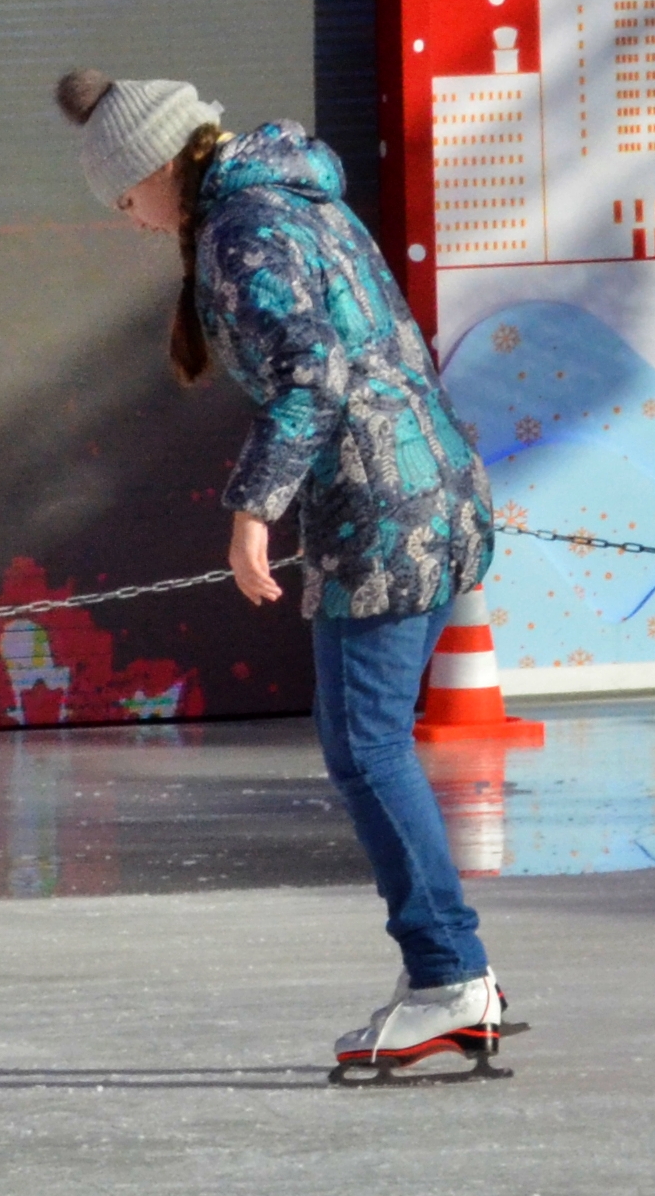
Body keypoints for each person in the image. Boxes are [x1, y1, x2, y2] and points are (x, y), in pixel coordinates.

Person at [60, 66, 521, 1080]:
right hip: (428, 486)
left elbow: (316, 373)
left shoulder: (243, 228)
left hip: (385, 506)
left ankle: (451, 976)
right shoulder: (293, 197)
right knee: (369, 743)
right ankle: (451, 973)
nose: (133, 222)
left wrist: (251, 511)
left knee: (366, 744)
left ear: (153, 167)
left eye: (126, 199)